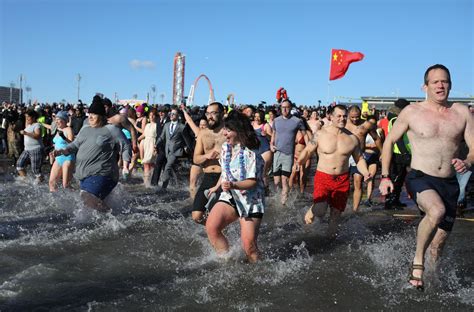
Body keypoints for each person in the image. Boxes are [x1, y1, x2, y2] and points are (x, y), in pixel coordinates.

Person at [379, 64, 474, 291]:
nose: (441, 86)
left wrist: (468, 162)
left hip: (449, 182)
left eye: (445, 81)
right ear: (425, 86)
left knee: (438, 245)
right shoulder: (412, 112)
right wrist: (384, 176)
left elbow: (473, 148)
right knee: (436, 211)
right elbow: (389, 141)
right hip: (421, 177)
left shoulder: (462, 112)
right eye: (435, 82)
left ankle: (432, 284)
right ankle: (417, 262)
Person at [298, 105, 371, 238]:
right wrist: (299, 163)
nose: (342, 118)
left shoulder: (352, 138)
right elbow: (308, 150)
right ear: (331, 117)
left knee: (336, 214)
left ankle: (329, 241)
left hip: (342, 179)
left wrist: (366, 173)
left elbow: (359, 159)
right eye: (339, 116)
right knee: (320, 210)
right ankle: (311, 215)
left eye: (344, 116)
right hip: (323, 177)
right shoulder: (320, 134)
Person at [206, 110, 265, 263]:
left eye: (228, 130)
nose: (224, 133)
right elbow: (226, 170)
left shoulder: (250, 154)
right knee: (212, 227)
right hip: (231, 196)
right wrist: (216, 186)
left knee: (249, 247)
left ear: (238, 131)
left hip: (250, 200)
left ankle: (260, 269)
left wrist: (233, 184)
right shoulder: (225, 148)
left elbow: (252, 181)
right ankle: (226, 262)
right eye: (225, 128)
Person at [55, 95, 131, 212]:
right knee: (89, 204)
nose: (90, 117)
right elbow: (75, 144)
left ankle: (114, 216)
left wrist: (126, 166)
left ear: (101, 116)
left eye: (93, 114)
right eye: (89, 114)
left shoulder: (112, 129)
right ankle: (111, 219)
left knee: (87, 198)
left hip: (104, 174)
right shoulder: (85, 129)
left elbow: (125, 146)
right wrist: (62, 151)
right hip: (85, 175)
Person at [192, 102, 226, 224]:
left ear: (222, 114)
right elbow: (196, 159)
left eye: (213, 113)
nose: (209, 116)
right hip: (209, 176)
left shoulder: (229, 132)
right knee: (197, 216)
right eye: (208, 113)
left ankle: (218, 230)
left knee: (222, 214)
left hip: (225, 177)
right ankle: (214, 230)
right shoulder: (203, 133)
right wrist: (208, 155)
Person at [345, 108, 383, 212]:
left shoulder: (366, 125)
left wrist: (382, 152)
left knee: (358, 181)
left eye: (357, 116)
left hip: (358, 156)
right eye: (352, 117)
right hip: (344, 156)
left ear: (360, 114)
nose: (355, 119)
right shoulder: (343, 124)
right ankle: (341, 206)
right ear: (348, 115)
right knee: (344, 182)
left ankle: (355, 210)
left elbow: (377, 138)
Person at [270, 99, 307, 204]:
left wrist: (308, 150)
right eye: (283, 107)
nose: (285, 109)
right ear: (280, 108)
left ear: (290, 108)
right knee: (276, 181)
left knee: (284, 180)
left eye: (287, 107)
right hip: (277, 153)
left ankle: (283, 204)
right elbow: (273, 134)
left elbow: (305, 136)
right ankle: (279, 199)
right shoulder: (276, 120)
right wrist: (271, 145)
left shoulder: (297, 121)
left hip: (288, 154)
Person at [154, 107, 186, 189]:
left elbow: (186, 139)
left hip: (176, 151)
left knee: (167, 167)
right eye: (170, 114)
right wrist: (156, 144)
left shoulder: (182, 127)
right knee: (171, 169)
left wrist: (187, 148)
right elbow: (162, 137)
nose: (171, 115)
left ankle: (163, 188)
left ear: (178, 115)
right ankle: (177, 184)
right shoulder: (166, 125)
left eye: (173, 114)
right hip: (167, 150)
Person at [48, 111, 75, 192]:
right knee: (52, 183)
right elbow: (58, 144)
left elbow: (73, 144)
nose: (56, 121)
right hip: (58, 158)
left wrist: (64, 137)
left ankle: (78, 197)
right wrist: (53, 152)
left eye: (58, 119)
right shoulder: (58, 130)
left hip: (67, 158)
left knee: (65, 185)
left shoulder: (68, 129)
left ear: (64, 120)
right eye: (55, 119)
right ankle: (55, 202)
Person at [17, 109, 44, 183]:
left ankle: (41, 181)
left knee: (35, 170)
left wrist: (26, 133)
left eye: (28, 117)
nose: (26, 119)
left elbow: (38, 135)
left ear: (34, 117)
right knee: (19, 165)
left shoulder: (37, 125)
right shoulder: (28, 125)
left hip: (36, 149)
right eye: (26, 117)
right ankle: (25, 180)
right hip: (27, 149)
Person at [138, 108, 158, 187]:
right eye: (150, 115)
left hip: (152, 144)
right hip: (146, 144)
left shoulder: (157, 125)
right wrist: (136, 140)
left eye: (153, 115)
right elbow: (144, 134)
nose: (151, 117)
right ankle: (149, 181)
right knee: (149, 164)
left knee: (147, 163)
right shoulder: (147, 125)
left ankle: (147, 182)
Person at [252, 110, 273, 189]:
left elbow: (272, 138)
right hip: (254, 150)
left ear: (262, 117)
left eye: (258, 116)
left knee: (263, 173)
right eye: (255, 116)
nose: (256, 118)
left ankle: (266, 190)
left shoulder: (266, 125)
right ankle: (256, 189)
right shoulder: (252, 124)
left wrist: (266, 134)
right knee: (254, 172)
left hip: (264, 150)